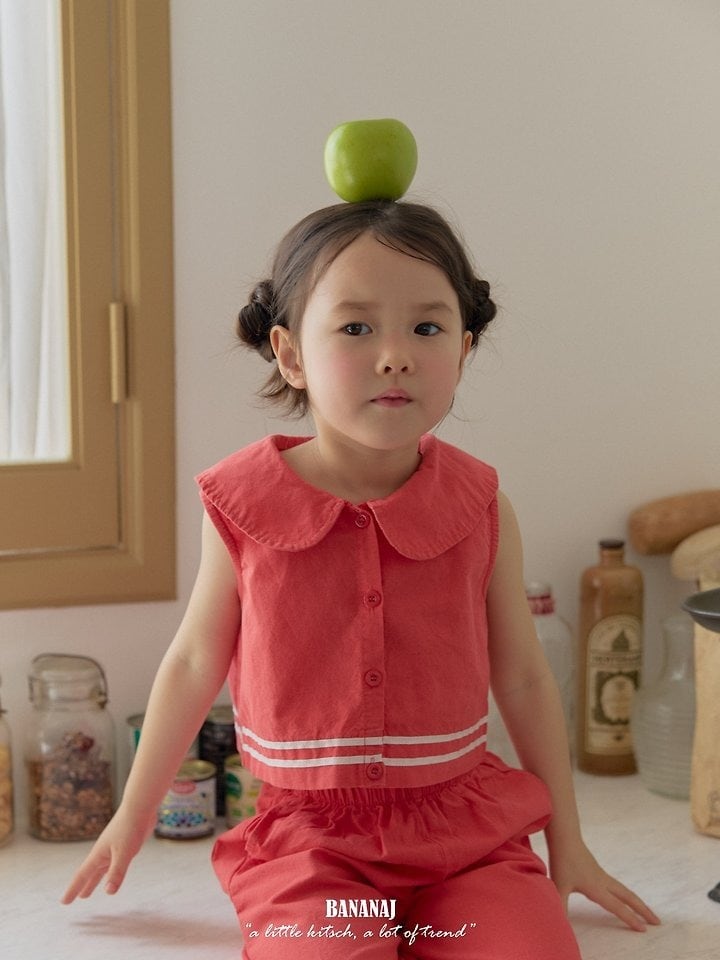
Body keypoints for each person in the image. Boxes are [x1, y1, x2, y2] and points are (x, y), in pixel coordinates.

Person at [62, 200, 660, 958]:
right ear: (290, 354)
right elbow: (192, 661)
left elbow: (523, 678)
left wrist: (567, 843)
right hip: (310, 848)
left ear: (464, 349)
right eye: (355, 328)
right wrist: (133, 812)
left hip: (468, 842)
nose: (395, 355)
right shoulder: (242, 508)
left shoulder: (482, 506)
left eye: (427, 328)